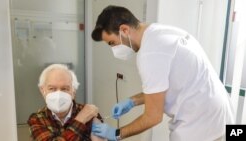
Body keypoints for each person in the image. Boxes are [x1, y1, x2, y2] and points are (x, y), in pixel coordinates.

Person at [90, 5, 235, 141]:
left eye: (112, 43)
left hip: (200, 126)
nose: (113, 49)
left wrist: (116, 133)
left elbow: (153, 117)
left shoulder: (150, 53)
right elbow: (163, 89)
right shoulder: (159, 32)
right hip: (220, 115)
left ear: (125, 30)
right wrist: (132, 101)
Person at [28, 64, 106, 141]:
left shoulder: (90, 113)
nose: (58, 95)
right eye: (52, 88)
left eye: (64, 89)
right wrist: (81, 119)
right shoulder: (36, 119)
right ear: (43, 91)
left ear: (73, 91)